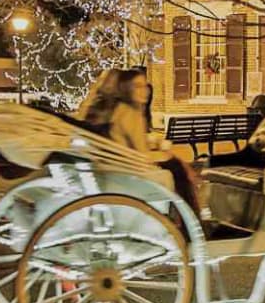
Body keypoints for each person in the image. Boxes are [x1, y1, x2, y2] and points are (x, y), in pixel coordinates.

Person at [77, 68, 200, 217]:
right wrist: (166, 155)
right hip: (127, 174)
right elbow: (142, 156)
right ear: (125, 88)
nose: (145, 91)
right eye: (138, 86)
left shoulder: (113, 112)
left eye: (145, 85)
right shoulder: (129, 113)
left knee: (176, 165)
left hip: (111, 169)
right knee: (178, 169)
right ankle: (189, 219)